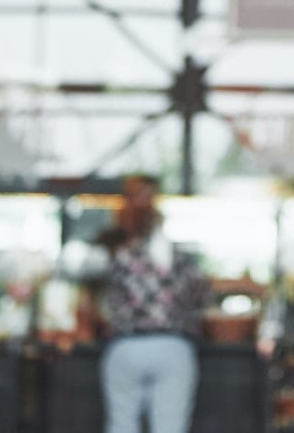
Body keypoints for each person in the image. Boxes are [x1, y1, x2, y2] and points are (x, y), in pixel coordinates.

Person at [93, 174, 208, 433]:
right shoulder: (179, 258)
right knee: (170, 427)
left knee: (122, 425)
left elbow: (96, 295)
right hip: (173, 345)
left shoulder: (115, 253)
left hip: (125, 345)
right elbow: (201, 297)